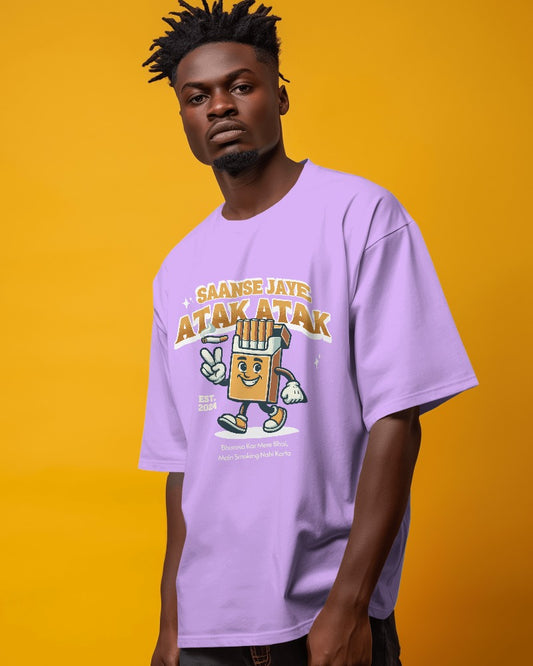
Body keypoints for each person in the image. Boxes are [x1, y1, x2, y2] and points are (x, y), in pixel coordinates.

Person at [137, 1, 478, 665]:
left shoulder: (359, 215)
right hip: (206, 630)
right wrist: (171, 622)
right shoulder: (178, 268)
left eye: (241, 85)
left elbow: (397, 417)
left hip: (323, 616)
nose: (220, 107)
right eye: (196, 97)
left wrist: (350, 606)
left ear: (280, 96)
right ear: (184, 119)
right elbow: (181, 464)